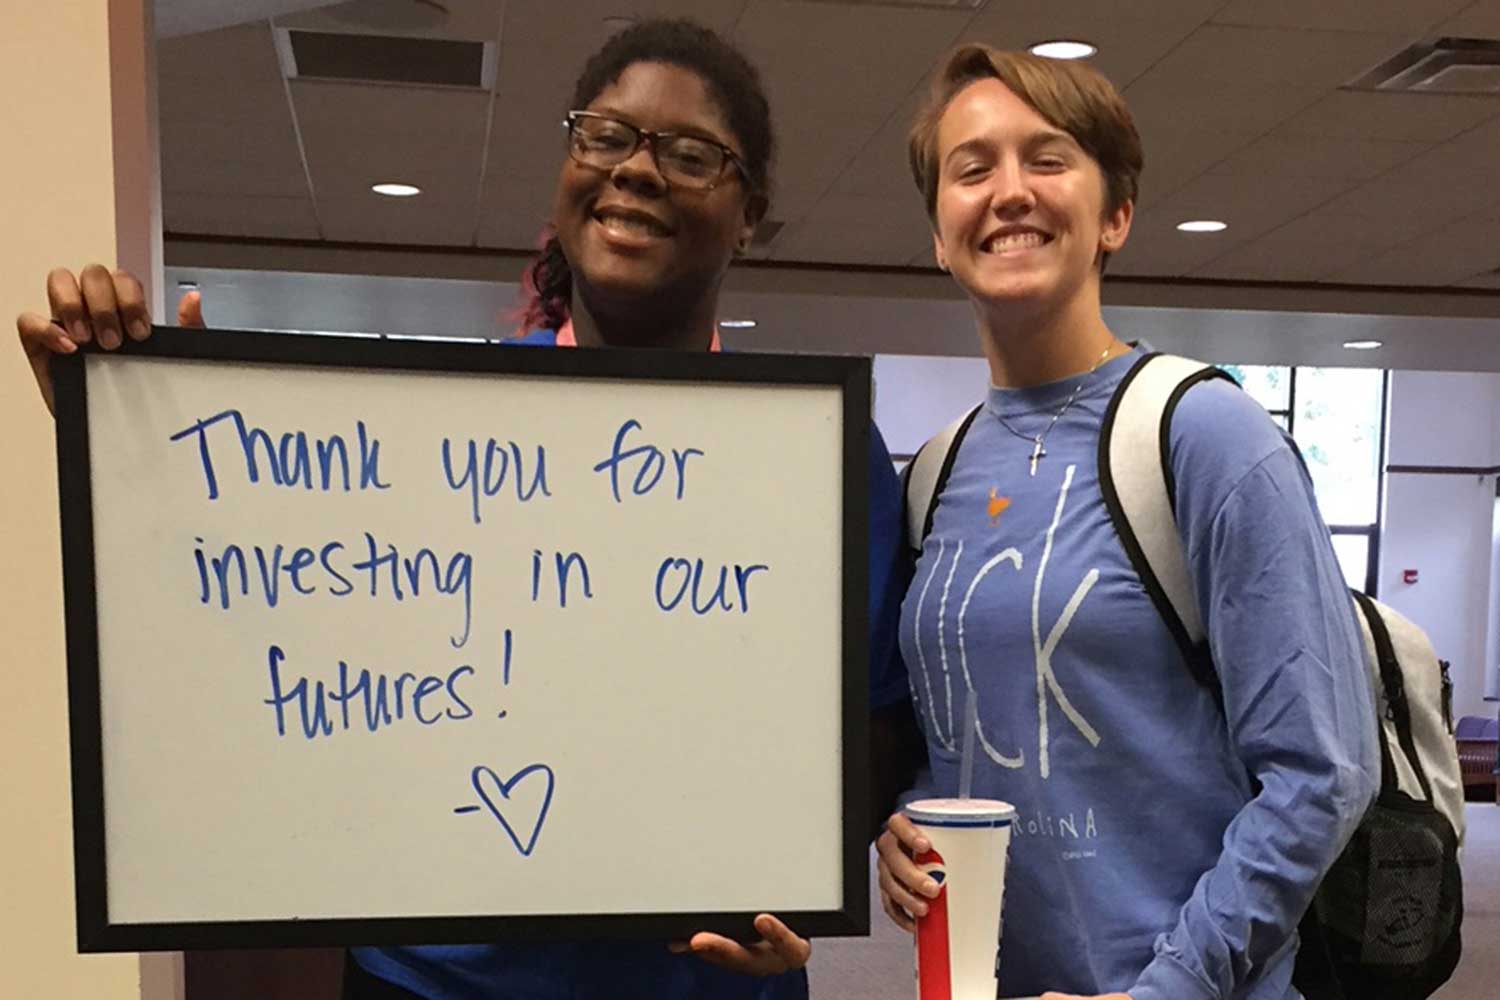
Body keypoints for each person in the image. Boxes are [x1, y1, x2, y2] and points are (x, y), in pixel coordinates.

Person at [16, 19, 916, 1000]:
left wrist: (800, 896)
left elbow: (869, 732)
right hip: (438, 983)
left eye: (691, 153)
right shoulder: (422, 439)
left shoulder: (827, 455)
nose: (637, 171)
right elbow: (251, 650)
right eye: (605, 136)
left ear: (751, 211)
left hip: (705, 985)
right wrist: (129, 441)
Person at [874, 46, 1379, 1000]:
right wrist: (902, 823)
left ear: (1115, 215)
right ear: (939, 232)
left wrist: (1171, 988)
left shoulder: (1203, 434)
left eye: (1049, 158)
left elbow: (1323, 772)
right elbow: (959, 736)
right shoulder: (936, 471)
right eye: (972, 168)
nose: (1009, 192)